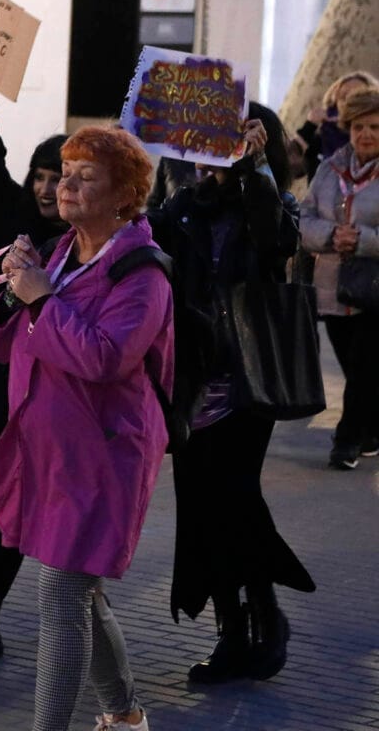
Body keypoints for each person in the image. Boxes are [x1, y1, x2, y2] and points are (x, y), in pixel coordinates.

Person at [0, 126, 173, 731]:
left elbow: (107, 358)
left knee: (61, 599)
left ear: (124, 196)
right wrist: (13, 295)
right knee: (82, 593)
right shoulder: (59, 253)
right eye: (66, 172)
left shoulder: (142, 274)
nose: (66, 184)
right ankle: (124, 713)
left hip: (103, 459)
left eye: (87, 176)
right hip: (47, 451)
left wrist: (42, 302)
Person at [148, 109, 316, 685]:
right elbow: (150, 234)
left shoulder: (270, 204)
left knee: (238, 498)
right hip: (190, 381)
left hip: (247, 381)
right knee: (200, 508)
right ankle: (229, 631)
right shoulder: (184, 204)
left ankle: (266, 618)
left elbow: (276, 240)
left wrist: (254, 171)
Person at [0, 63, 67, 662]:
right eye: (42, 177)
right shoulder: (13, 218)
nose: (50, 189)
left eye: (62, 179)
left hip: (42, 395)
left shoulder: (90, 242)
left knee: (14, 506)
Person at [301, 86, 379, 470]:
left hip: (375, 288)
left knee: (365, 364)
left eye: (376, 127)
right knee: (355, 366)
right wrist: (333, 236)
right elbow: (305, 218)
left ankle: (345, 441)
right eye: (360, 126)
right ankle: (370, 428)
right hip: (333, 286)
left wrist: (363, 239)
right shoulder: (330, 169)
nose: (367, 134)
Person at [295, 70, 379, 181]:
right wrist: (308, 127)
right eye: (343, 97)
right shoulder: (322, 140)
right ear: (335, 102)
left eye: (357, 96)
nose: (349, 103)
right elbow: (288, 170)